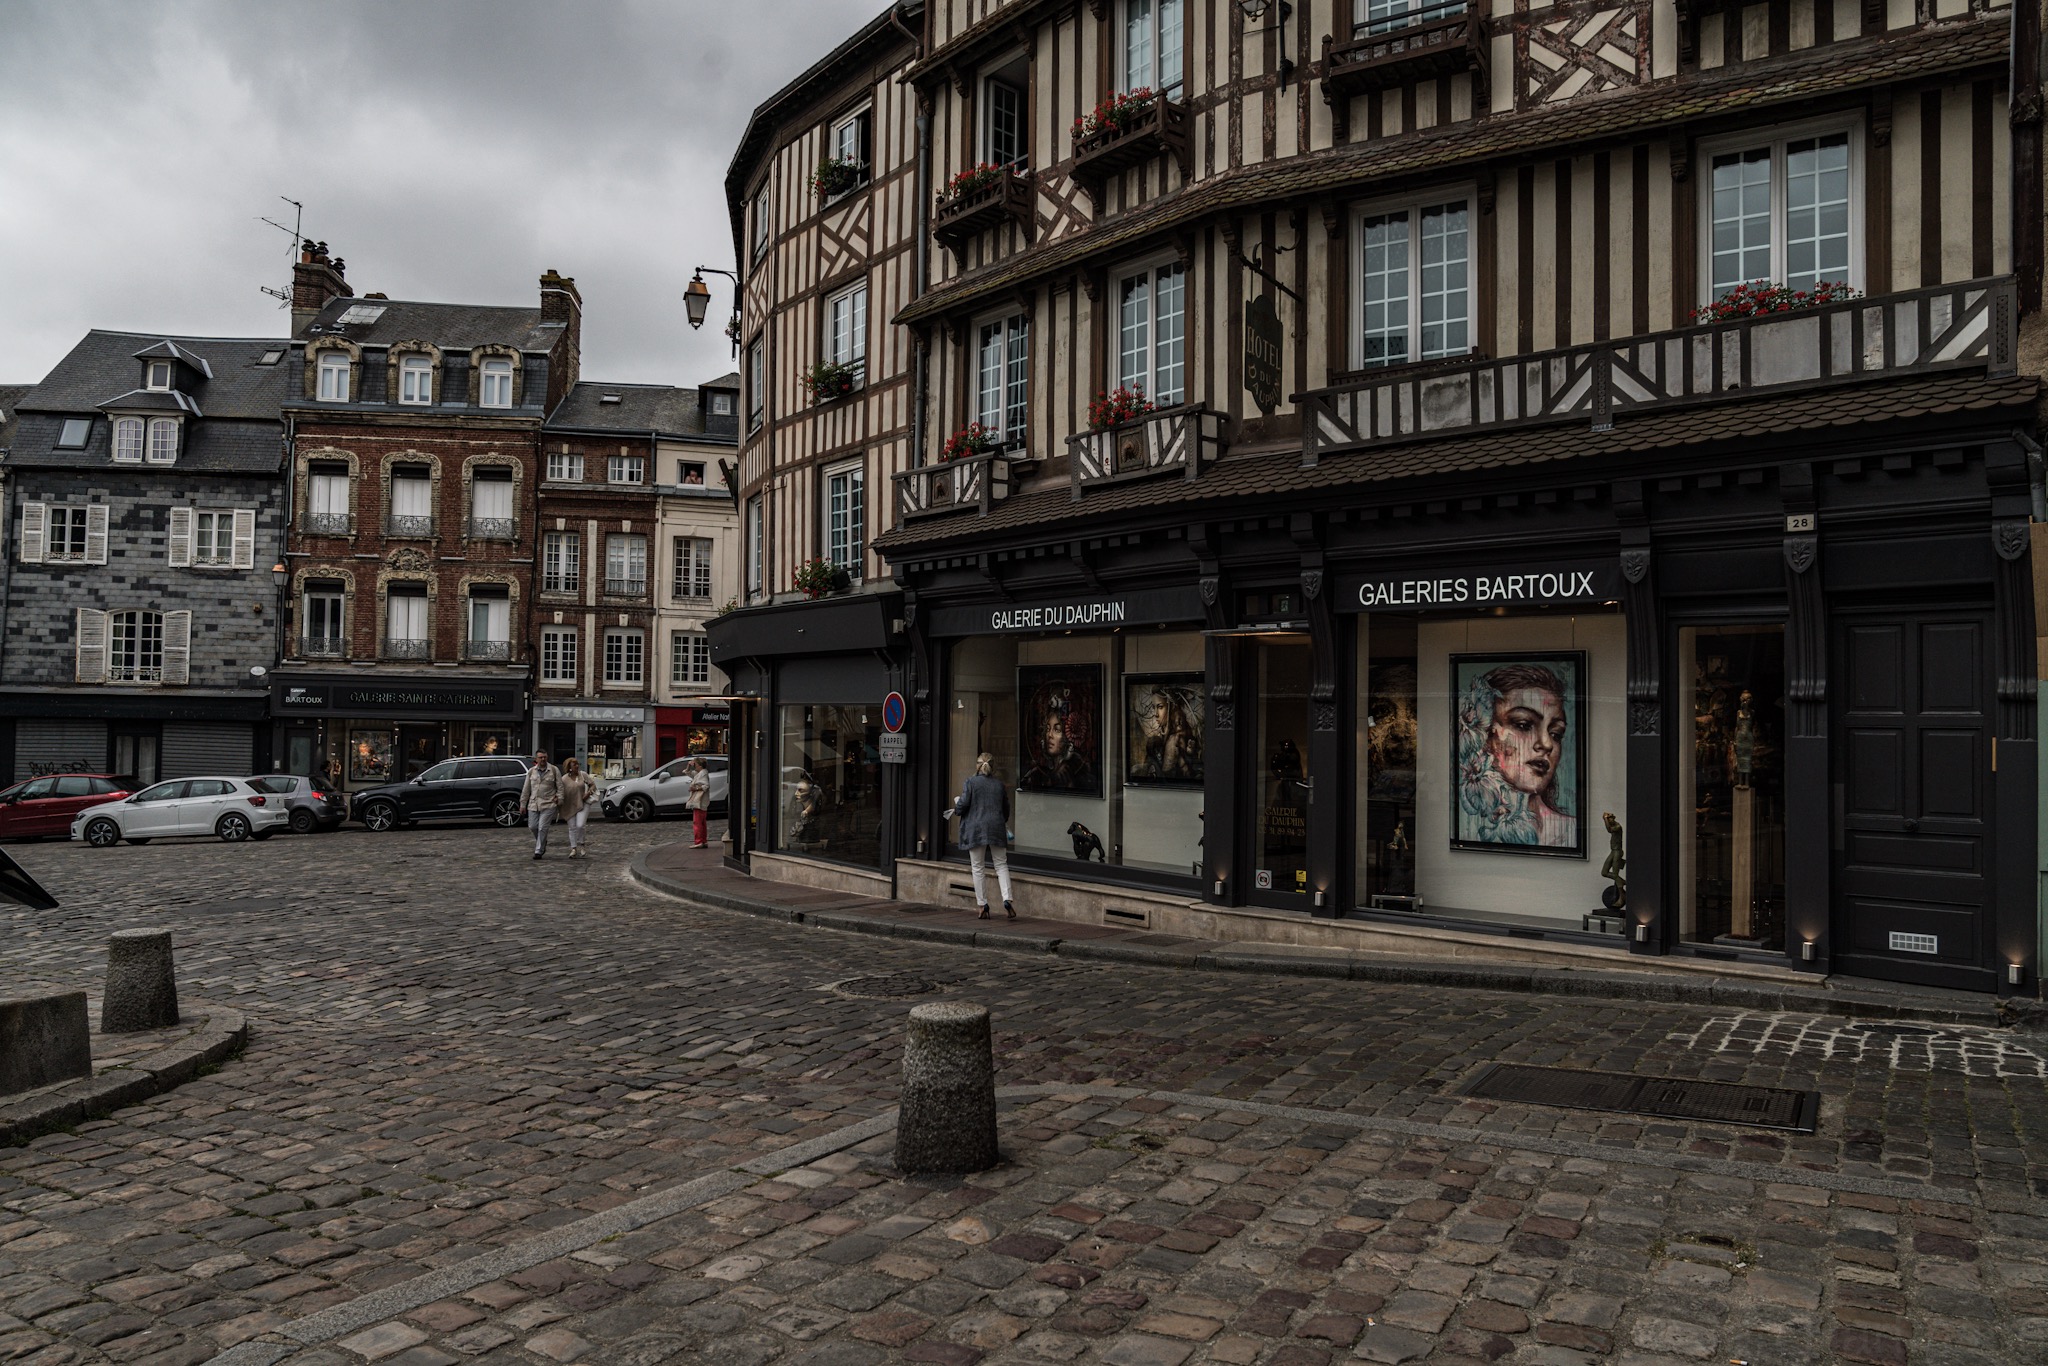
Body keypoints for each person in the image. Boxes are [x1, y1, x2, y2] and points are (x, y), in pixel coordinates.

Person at [1456, 663, 1577, 848]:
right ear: (1484, 732)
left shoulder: (1571, 831)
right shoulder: (1462, 828)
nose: (1546, 744)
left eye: (1556, 734)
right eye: (1523, 724)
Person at [953, 752, 1014, 921]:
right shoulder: (999, 785)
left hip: (976, 829)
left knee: (978, 867)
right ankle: (1007, 899)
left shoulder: (970, 782)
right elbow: (1006, 809)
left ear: (977, 766)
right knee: (1001, 865)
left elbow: (962, 806)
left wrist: (957, 804)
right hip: (996, 827)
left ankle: (983, 906)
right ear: (993, 767)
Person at [518, 750, 562, 860]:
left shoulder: (553, 770)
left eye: (545, 757)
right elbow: (526, 789)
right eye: (541, 757)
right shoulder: (531, 771)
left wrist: (559, 799)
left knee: (542, 827)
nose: (543, 759)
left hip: (549, 803)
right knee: (533, 826)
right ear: (536, 759)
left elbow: (560, 787)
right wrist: (523, 804)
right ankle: (542, 841)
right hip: (534, 803)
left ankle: (539, 851)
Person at [557, 757, 596, 858]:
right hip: (569, 805)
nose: (577, 766)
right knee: (572, 827)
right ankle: (573, 848)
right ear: (569, 767)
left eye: (577, 764)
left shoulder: (583, 775)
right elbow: (559, 790)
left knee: (580, 825)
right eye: (574, 765)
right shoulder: (564, 779)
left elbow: (592, 785)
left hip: (583, 803)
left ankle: (582, 844)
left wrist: (588, 792)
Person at [686, 757, 711, 848]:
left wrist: (695, 788)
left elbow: (705, 786)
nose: (694, 766)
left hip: (699, 801)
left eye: (695, 764)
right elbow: (688, 772)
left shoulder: (702, 773)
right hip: (702, 801)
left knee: (697, 822)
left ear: (699, 765)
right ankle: (703, 840)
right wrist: (689, 765)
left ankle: (699, 841)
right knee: (702, 822)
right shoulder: (700, 773)